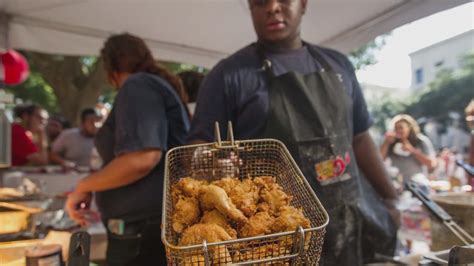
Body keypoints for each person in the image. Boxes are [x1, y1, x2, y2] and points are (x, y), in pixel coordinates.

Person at [188, 1, 398, 265]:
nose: (273, 8)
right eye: (261, 2)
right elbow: (197, 146)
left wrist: (391, 198)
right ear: (251, 8)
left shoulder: (338, 65)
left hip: (348, 224)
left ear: (303, 5)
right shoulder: (227, 75)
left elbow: (360, 138)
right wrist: (208, 160)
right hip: (277, 237)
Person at [65, 33, 190, 265]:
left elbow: (142, 159)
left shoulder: (138, 85)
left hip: (143, 235)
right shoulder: (151, 86)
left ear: (109, 67)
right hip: (147, 230)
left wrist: (84, 185)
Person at [381, 114, 437, 186]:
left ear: (409, 128)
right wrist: (386, 143)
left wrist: (412, 150)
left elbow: (431, 164)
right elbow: (379, 160)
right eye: (395, 128)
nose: (398, 131)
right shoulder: (391, 143)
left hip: (418, 185)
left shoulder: (421, 141)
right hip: (398, 186)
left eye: (401, 128)